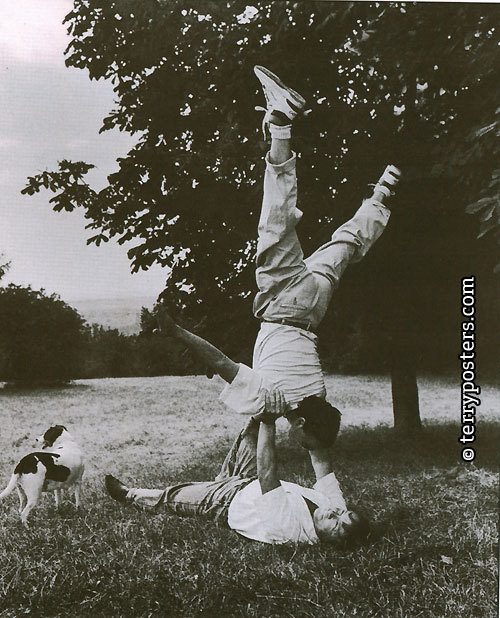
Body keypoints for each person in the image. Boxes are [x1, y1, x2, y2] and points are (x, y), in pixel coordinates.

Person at [244, 66, 401, 415]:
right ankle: (280, 123)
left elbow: (314, 424)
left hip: (315, 305)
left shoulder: (314, 392)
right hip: (285, 305)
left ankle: (382, 194)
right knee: (275, 222)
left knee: (346, 243)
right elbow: (226, 368)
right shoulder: (269, 401)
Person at [105, 399, 368, 546]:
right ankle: (235, 458)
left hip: (226, 500)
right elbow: (322, 464)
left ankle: (129, 495)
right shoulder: (334, 507)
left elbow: (268, 475)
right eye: (342, 513)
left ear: (333, 543)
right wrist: (312, 415)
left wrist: (270, 421)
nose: (334, 513)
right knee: (251, 430)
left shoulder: (290, 531)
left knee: (173, 496)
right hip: (248, 480)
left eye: (336, 525)